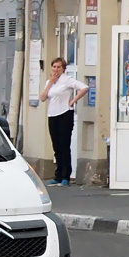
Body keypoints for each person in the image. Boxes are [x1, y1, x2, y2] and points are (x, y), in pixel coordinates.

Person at [39, 57, 88, 186]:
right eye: (54, 67)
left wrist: (73, 100)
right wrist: (50, 82)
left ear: (63, 69)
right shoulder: (49, 82)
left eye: (59, 67)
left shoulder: (67, 80)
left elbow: (84, 87)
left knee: (64, 145)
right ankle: (58, 175)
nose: (56, 69)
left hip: (65, 114)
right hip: (52, 114)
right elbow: (42, 98)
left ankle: (66, 175)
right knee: (56, 146)